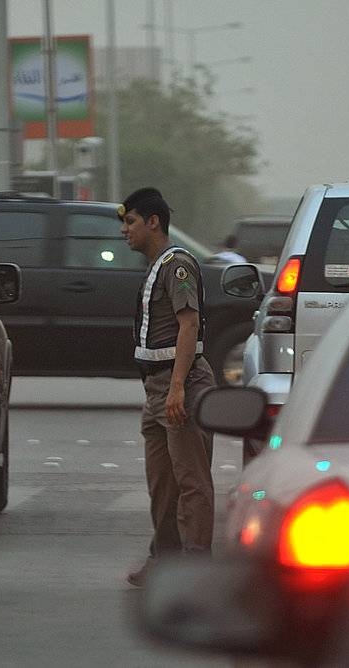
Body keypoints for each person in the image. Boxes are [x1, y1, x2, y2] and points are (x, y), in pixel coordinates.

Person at [119, 187, 216, 587]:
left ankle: (195, 568)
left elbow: (188, 325)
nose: (125, 231)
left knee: (191, 480)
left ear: (153, 222)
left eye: (130, 222)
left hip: (182, 384)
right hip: (156, 387)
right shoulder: (156, 265)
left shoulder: (177, 265)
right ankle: (165, 559)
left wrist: (177, 389)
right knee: (162, 483)